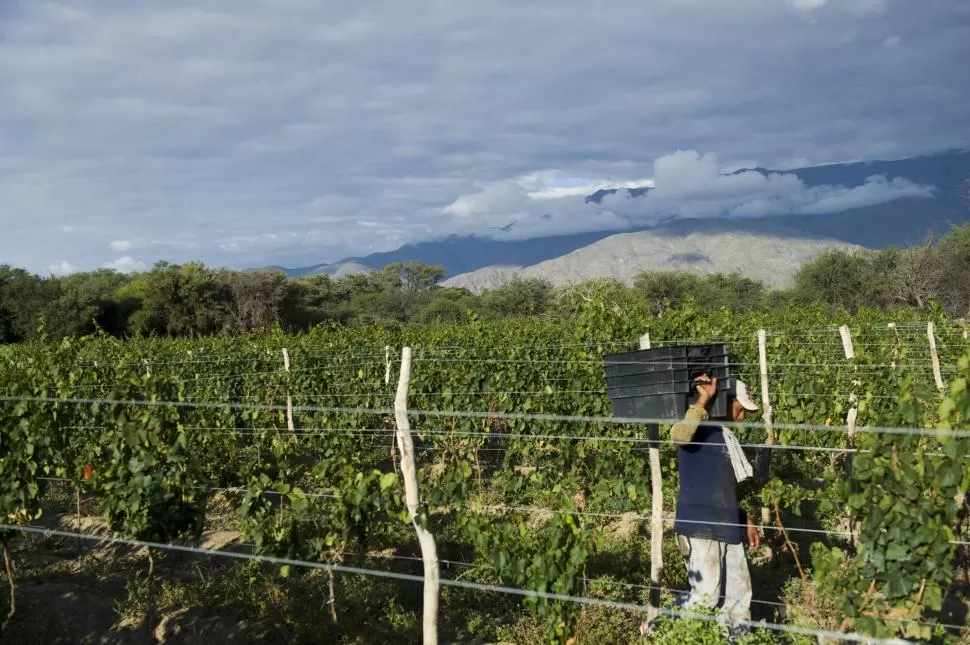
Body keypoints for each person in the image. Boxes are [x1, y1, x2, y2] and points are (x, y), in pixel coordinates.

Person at [640, 375, 761, 638]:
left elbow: (727, 488)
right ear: (725, 402)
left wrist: (746, 520)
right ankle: (658, 628)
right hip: (701, 526)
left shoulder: (727, 440)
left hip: (729, 526)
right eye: (739, 410)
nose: (741, 418)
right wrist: (703, 399)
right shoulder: (699, 428)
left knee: (739, 594)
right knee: (706, 595)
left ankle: (737, 640)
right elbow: (678, 436)